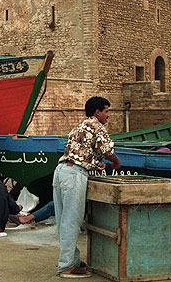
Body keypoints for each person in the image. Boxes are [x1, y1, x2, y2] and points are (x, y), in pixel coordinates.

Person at [53, 96, 121, 278]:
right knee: (72, 220)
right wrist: (116, 162)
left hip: (61, 171)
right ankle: (66, 265)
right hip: (74, 175)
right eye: (106, 111)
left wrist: (94, 163)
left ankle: (72, 259)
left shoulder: (80, 127)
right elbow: (108, 151)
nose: (108, 115)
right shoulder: (97, 126)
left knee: (63, 219)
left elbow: (84, 152)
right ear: (97, 112)